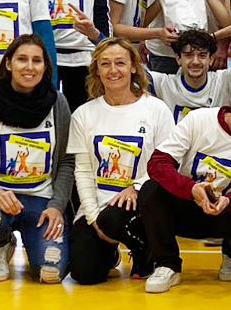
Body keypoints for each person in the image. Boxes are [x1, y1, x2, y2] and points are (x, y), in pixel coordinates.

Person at [135, 77, 231, 289]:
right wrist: (191, 189)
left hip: (223, 212)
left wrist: (229, 201)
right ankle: (167, 265)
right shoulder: (200, 119)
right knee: (151, 190)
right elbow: (158, 164)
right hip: (185, 206)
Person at [0, 35, 75, 283]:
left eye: (37, 60)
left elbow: (66, 162)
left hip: (42, 201)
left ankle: (36, 243)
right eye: (22, 59)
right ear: (9, 64)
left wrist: (57, 205)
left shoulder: (58, 104)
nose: (29, 67)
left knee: (50, 275)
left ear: (46, 67)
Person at [63, 39, 178, 285]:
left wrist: (137, 187)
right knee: (84, 274)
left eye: (120, 63)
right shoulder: (84, 114)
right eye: (105, 64)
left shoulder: (156, 110)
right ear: (96, 70)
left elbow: (168, 164)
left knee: (114, 219)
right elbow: (82, 171)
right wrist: (93, 218)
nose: (113, 70)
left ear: (134, 67)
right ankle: (110, 250)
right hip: (98, 208)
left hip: (140, 204)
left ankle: (143, 248)